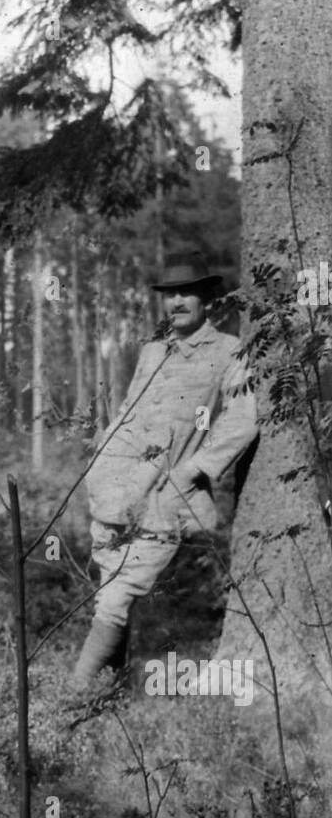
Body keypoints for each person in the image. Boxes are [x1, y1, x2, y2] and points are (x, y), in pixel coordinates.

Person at [72, 251, 259, 691]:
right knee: (108, 599)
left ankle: (73, 698)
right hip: (114, 493)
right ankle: (108, 697)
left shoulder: (229, 351)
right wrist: (101, 453)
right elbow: (127, 409)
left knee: (117, 600)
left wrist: (196, 468)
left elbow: (242, 418)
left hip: (163, 499)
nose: (176, 302)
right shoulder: (154, 349)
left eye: (186, 294)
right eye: (170, 294)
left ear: (207, 300)